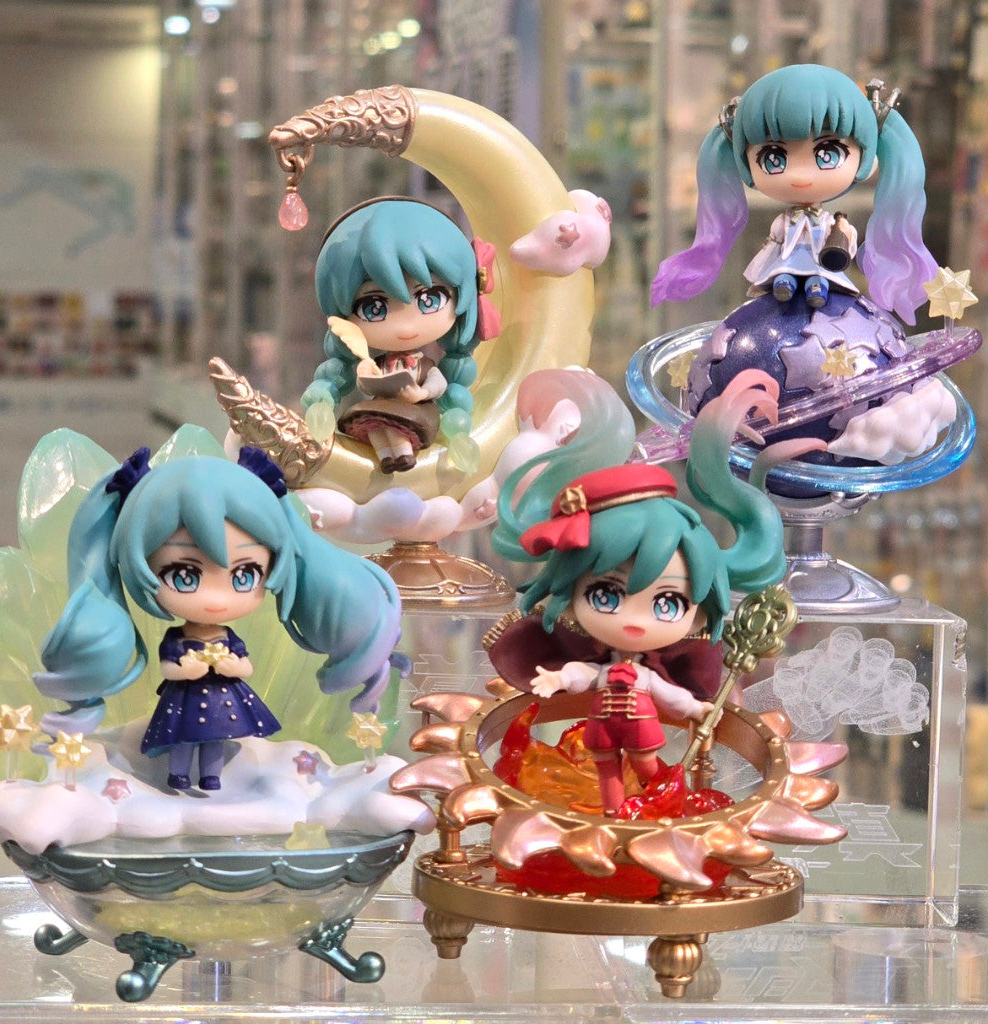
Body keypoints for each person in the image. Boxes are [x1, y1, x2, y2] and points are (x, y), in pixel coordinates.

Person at [490, 371, 803, 815]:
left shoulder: (647, 677)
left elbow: (672, 698)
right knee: (607, 771)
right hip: (602, 731)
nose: (634, 620)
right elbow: (581, 675)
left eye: (668, 603)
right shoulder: (604, 671)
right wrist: (558, 679)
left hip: (641, 731)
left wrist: (696, 710)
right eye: (605, 596)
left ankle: (659, 796)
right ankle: (616, 812)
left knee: (647, 765)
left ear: (699, 612)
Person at [34, 445, 401, 791]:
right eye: (184, 576)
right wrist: (187, 669)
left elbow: (245, 666)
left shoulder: (228, 636)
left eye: (245, 575)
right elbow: (169, 667)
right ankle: (178, 777)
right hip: (185, 700)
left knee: (214, 744)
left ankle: (211, 779)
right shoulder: (178, 638)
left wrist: (231, 665)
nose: (214, 599)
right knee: (181, 742)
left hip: (222, 704)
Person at [651, 65, 937, 324]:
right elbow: (776, 239)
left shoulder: (833, 222)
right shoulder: (785, 221)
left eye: (828, 154)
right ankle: (784, 284)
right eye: (774, 158)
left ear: (865, 156)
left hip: (823, 270)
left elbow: (846, 244)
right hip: (786, 262)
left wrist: (844, 238)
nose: (800, 176)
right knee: (782, 276)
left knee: (820, 280)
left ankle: (816, 288)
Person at [301, 198, 498, 473]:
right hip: (380, 409)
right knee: (374, 428)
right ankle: (387, 458)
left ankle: (402, 455)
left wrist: (421, 392)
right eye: (373, 307)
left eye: (430, 299)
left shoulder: (424, 365)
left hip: (415, 412)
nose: (405, 327)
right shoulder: (379, 362)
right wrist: (367, 375)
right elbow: (367, 388)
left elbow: (438, 383)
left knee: (394, 430)